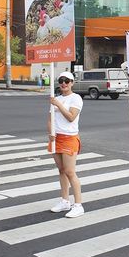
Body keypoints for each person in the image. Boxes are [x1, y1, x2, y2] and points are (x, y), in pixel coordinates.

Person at [48, 72, 85, 218]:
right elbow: (50, 118)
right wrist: (50, 132)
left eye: (67, 81)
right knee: (61, 170)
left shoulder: (76, 98)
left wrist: (58, 105)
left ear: (72, 83)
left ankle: (78, 205)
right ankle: (64, 201)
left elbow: (71, 117)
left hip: (70, 137)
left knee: (70, 171)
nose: (64, 83)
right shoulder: (56, 98)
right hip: (56, 137)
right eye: (61, 81)